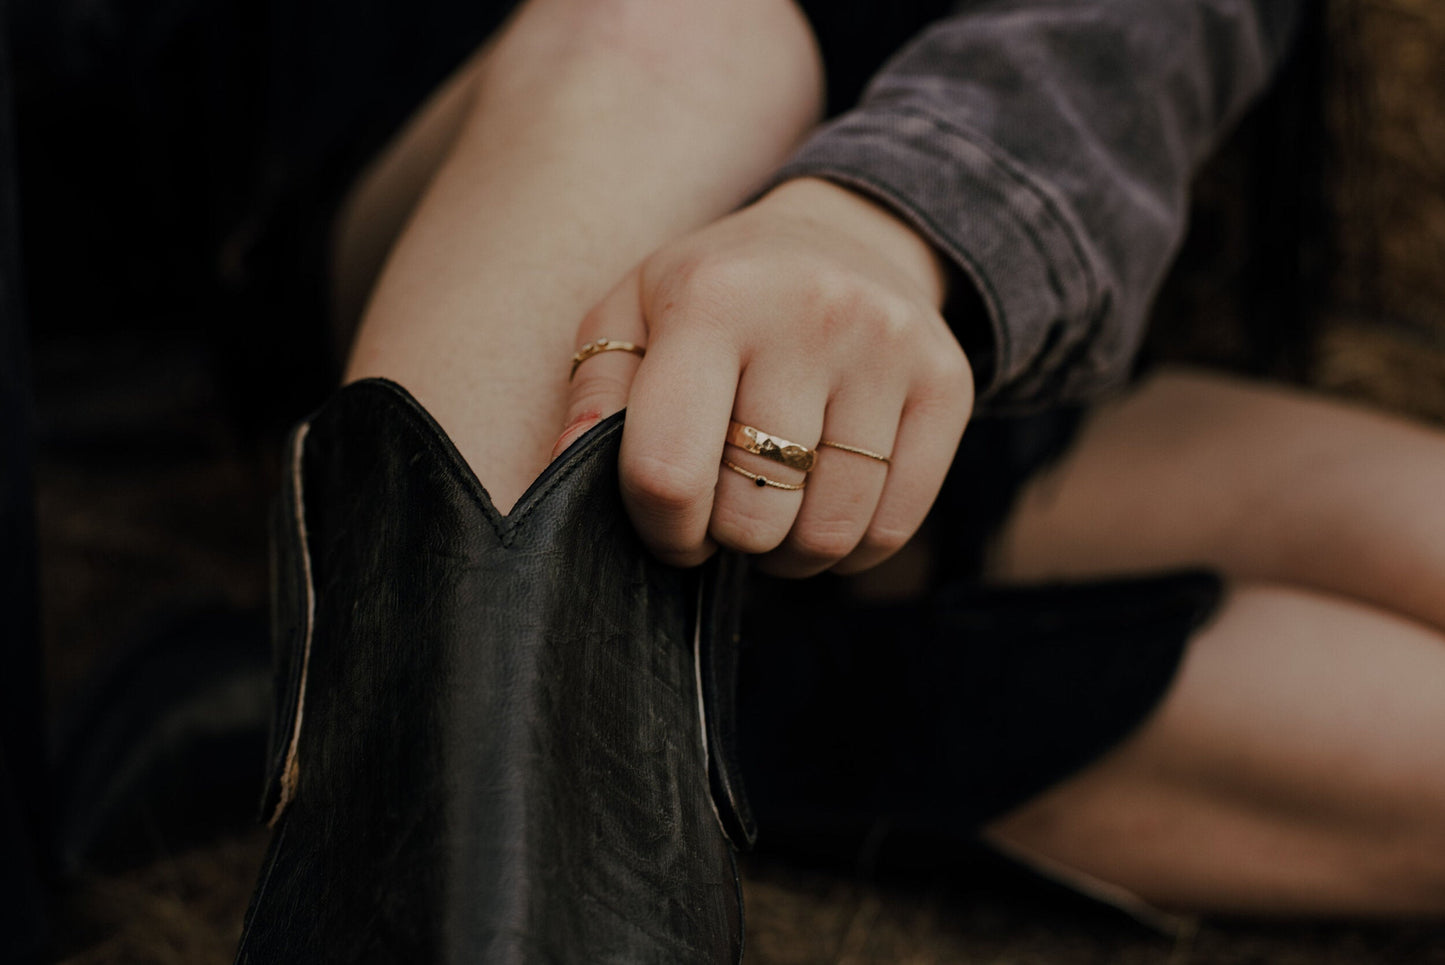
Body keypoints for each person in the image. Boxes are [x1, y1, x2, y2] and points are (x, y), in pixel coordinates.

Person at [230, 0, 1445, 959]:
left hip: (950, 337)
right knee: (686, 30)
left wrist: (890, 216)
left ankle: (557, 692)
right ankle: (474, 688)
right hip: (527, 190)